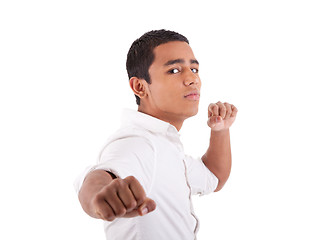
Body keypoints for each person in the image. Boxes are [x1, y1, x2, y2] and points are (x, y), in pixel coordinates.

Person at [74, 29, 238, 240]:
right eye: (174, 70)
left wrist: (220, 130)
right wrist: (98, 197)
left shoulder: (166, 146)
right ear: (140, 87)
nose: (192, 79)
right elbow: (102, 177)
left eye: (194, 69)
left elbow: (214, 177)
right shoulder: (138, 142)